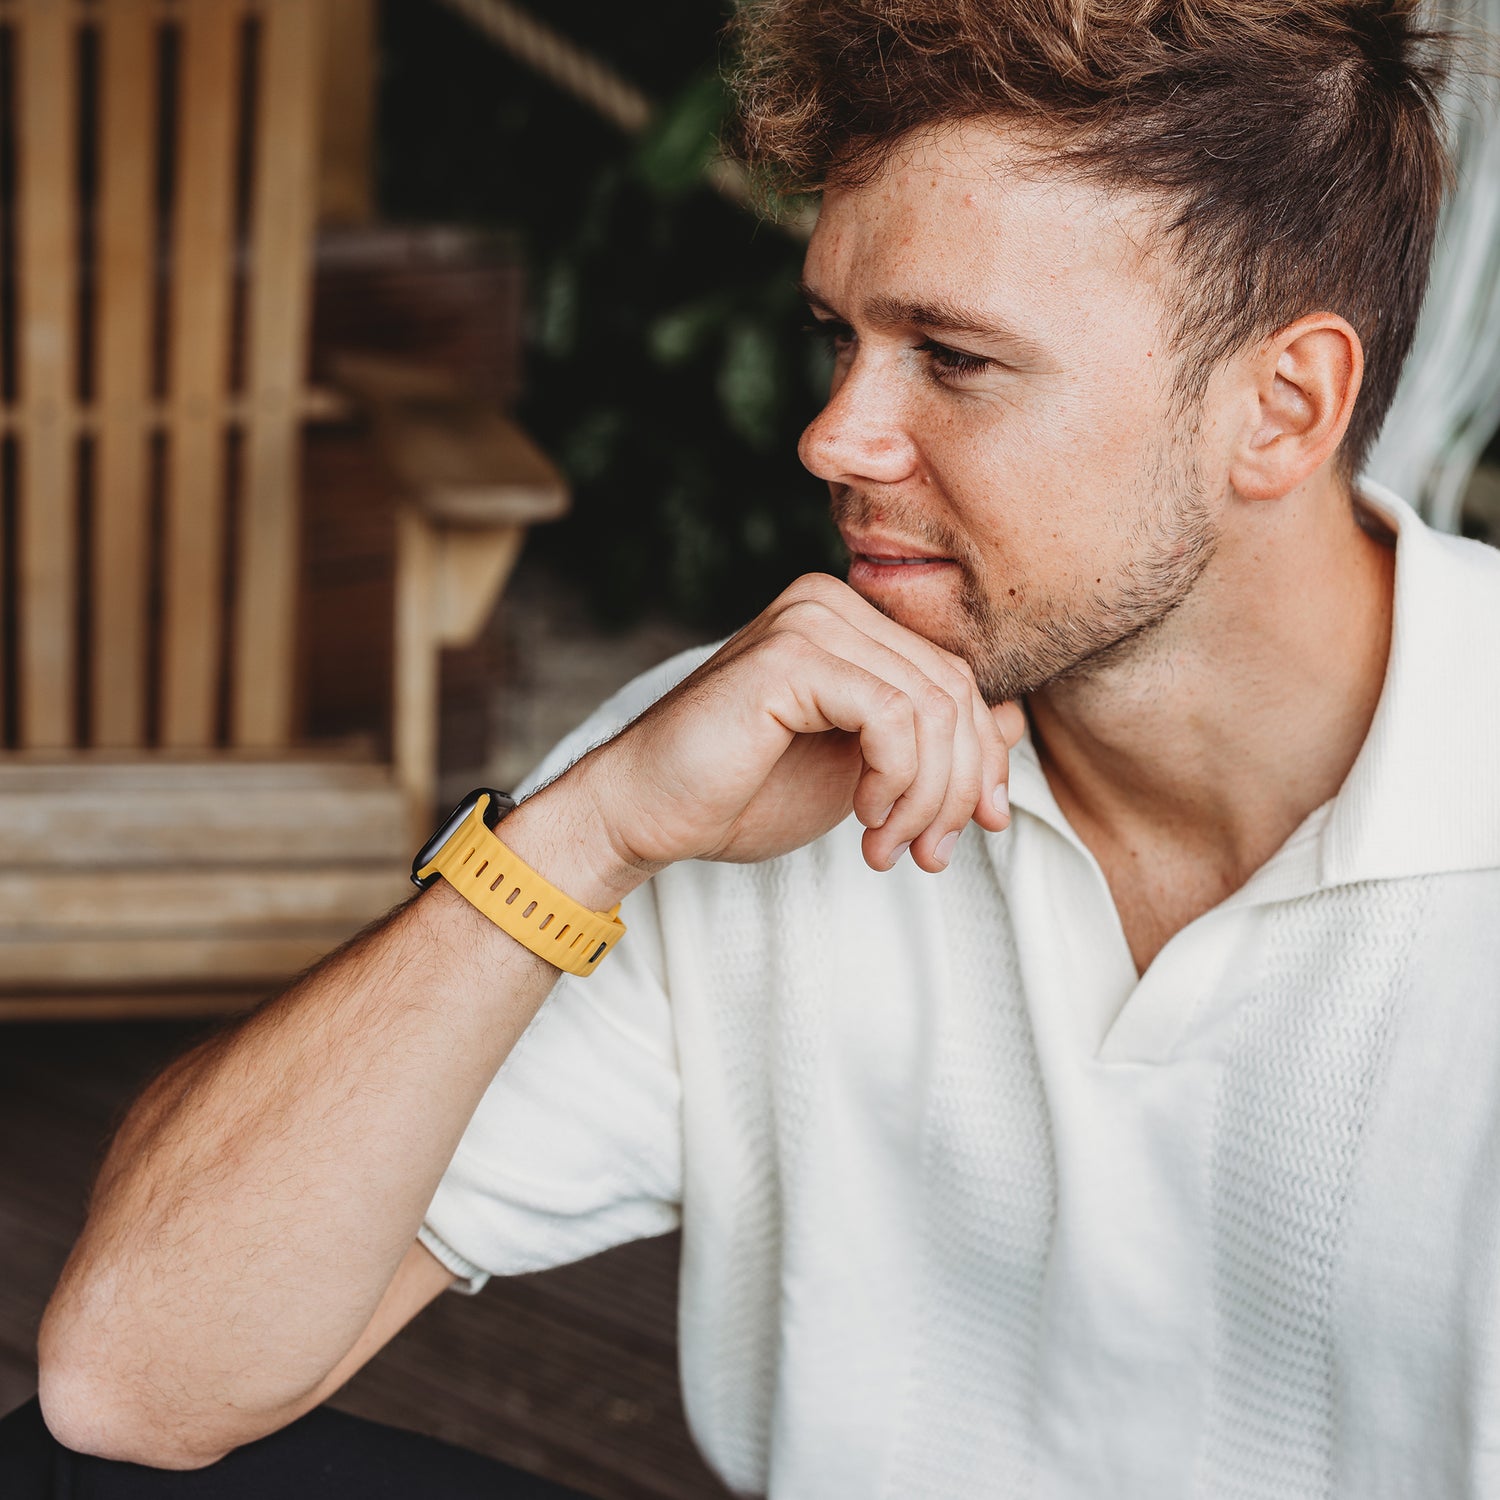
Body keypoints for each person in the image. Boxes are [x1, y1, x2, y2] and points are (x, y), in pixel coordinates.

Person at [10, 0, 1497, 1495]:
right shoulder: (736, 767)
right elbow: (132, 1385)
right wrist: (583, 836)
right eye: (842, 339)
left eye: (958, 358)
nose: (836, 436)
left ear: (1282, 407)